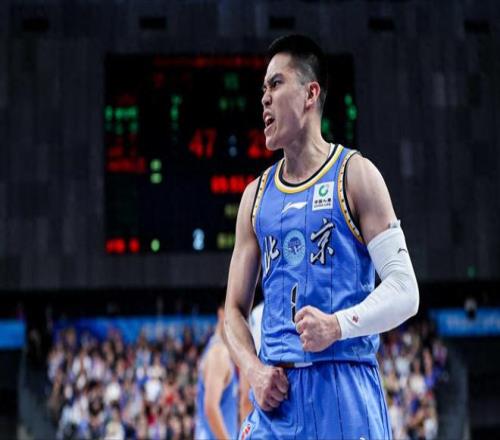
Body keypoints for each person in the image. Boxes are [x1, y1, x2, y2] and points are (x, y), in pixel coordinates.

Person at [224, 34, 419, 439]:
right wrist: (254, 370)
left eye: (276, 84)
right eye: (263, 89)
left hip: (344, 387)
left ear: (310, 94)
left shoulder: (356, 175)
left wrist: (337, 325)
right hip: (277, 398)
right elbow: (234, 311)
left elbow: (405, 289)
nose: (264, 99)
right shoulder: (254, 198)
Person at [194, 300, 239, 440]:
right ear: (222, 314)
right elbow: (210, 407)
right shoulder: (218, 353)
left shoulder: (217, 350)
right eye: (237, 315)